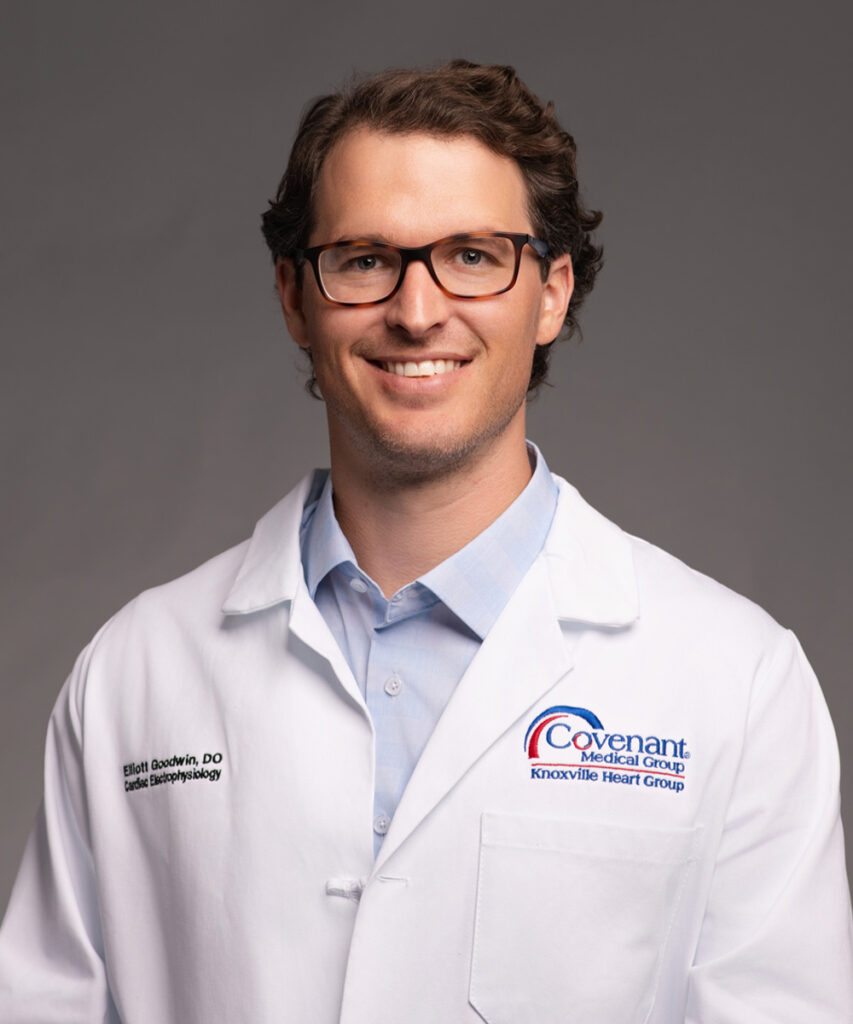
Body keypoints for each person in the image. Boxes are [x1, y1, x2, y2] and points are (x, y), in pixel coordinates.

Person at [0, 59, 851, 1023]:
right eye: (364, 259)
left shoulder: (735, 680)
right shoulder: (135, 672)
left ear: (550, 293)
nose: (416, 311)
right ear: (294, 296)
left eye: (474, 256)